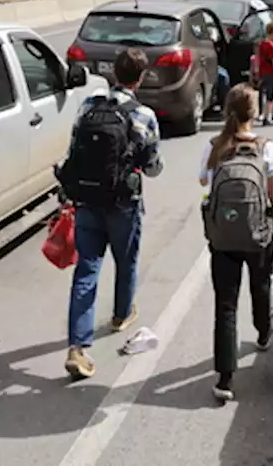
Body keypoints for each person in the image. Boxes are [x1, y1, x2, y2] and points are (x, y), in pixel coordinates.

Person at [55, 48, 163, 380]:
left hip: (87, 201)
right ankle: (121, 315)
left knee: (87, 269)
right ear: (141, 78)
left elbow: (73, 151)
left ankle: (77, 347)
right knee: (126, 260)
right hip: (122, 204)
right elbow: (153, 166)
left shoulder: (89, 106)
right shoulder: (143, 115)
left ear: (114, 73)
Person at [199, 83, 273, 402]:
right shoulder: (266, 148)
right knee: (261, 286)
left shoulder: (213, 147)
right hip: (259, 235)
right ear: (255, 113)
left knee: (225, 304)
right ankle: (262, 332)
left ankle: (225, 379)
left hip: (222, 238)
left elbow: (203, 181)